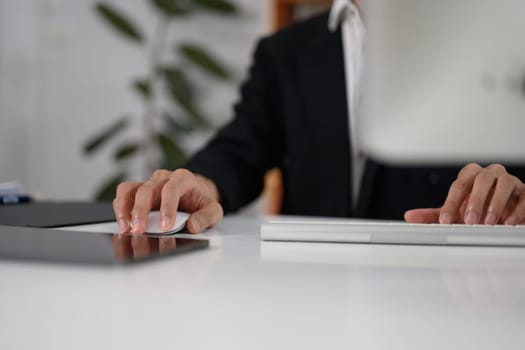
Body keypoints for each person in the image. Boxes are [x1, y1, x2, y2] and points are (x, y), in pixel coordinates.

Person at [113, 0, 525, 235]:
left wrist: (516, 196)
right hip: (313, 292)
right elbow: (241, 149)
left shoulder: (500, 42)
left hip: (444, 292)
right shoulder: (285, 52)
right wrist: (200, 183)